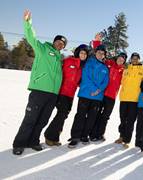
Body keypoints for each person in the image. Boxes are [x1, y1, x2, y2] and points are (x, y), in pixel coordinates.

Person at [12, 10, 67, 155]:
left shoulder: (59, 59)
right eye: (58, 42)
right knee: (30, 119)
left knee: (42, 120)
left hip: (52, 95)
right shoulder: (42, 49)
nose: (60, 45)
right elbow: (31, 37)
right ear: (54, 41)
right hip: (39, 91)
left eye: (62, 44)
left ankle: (33, 141)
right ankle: (19, 143)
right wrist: (28, 23)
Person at [44, 44, 89, 146]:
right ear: (77, 52)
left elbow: (78, 81)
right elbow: (59, 72)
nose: (83, 55)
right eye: (81, 52)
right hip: (62, 92)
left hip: (71, 94)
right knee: (61, 114)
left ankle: (55, 137)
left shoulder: (82, 67)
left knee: (64, 115)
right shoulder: (68, 61)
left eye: (85, 54)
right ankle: (49, 135)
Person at [68, 44, 109, 148]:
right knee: (80, 116)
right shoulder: (89, 62)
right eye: (99, 52)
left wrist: (98, 90)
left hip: (97, 97)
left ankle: (84, 135)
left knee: (91, 117)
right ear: (95, 53)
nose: (100, 54)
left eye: (103, 53)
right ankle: (75, 137)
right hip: (85, 94)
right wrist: (94, 89)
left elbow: (105, 82)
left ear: (104, 55)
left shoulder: (105, 68)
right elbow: (86, 77)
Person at [89, 34, 127, 142]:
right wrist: (97, 42)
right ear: (117, 58)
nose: (120, 60)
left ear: (124, 61)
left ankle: (100, 134)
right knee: (96, 113)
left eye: (123, 59)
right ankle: (92, 133)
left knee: (105, 116)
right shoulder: (109, 63)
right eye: (120, 57)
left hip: (111, 97)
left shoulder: (123, 72)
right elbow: (99, 54)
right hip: (102, 93)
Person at [115, 52, 143, 148]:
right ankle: (121, 136)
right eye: (133, 58)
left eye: (137, 58)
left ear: (139, 59)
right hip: (124, 98)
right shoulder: (126, 69)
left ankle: (127, 140)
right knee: (122, 119)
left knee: (131, 120)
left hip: (135, 99)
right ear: (131, 59)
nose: (135, 59)